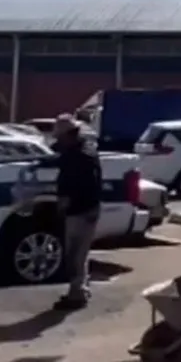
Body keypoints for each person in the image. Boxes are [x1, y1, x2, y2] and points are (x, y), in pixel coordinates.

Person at [48, 114, 103, 311]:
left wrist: (64, 203)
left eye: (61, 137)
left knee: (75, 255)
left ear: (68, 135)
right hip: (88, 208)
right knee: (80, 254)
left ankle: (76, 294)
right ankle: (80, 290)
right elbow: (58, 155)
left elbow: (77, 184)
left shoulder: (78, 157)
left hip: (81, 210)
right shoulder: (82, 149)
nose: (59, 141)